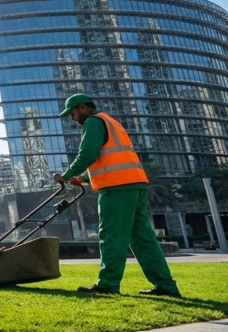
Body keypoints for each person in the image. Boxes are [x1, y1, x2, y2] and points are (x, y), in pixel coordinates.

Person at [53, 93, 180, 297]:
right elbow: (110, 158)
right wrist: (83, 178)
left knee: (111, 235)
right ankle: (166, 286)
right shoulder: (111, 122)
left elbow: (87, 154)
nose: (72, 118)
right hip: (135, 184)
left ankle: (108, 284)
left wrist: (66, 176)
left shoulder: (93, 123)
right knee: (143, 239)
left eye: (73, 113)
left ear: (84, 108)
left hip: (117, 188)